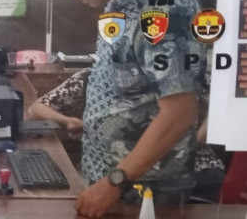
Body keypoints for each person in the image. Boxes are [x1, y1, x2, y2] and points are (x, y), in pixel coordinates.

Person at [52, 0, 207, 217]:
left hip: (145, 187)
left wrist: (116, 181)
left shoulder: (164, 4)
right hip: (111, 179)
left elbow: (179, 113)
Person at [27, 69, 225, 202]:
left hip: (194, 170)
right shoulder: (91, 77)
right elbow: (36, 109)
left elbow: (221, 106)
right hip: (125, 175)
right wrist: (66, 120)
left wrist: (196, 139)